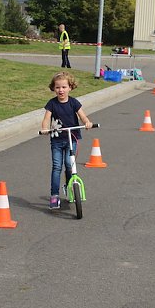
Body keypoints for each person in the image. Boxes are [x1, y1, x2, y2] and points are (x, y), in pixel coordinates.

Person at [40, 71, 93, 210]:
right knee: (57, 166)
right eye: (57, 87)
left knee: (69, 165)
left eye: (64, 87)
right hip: (57, 140)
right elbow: (46, 118)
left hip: (72, 138)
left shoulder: (74, 102)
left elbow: (83, 116)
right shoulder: (52, 104)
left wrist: (87, 122)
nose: (61, 90)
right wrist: (45, 128)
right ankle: (54, 195)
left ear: (70, 87)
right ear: (53, 88)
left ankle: (70, 189)